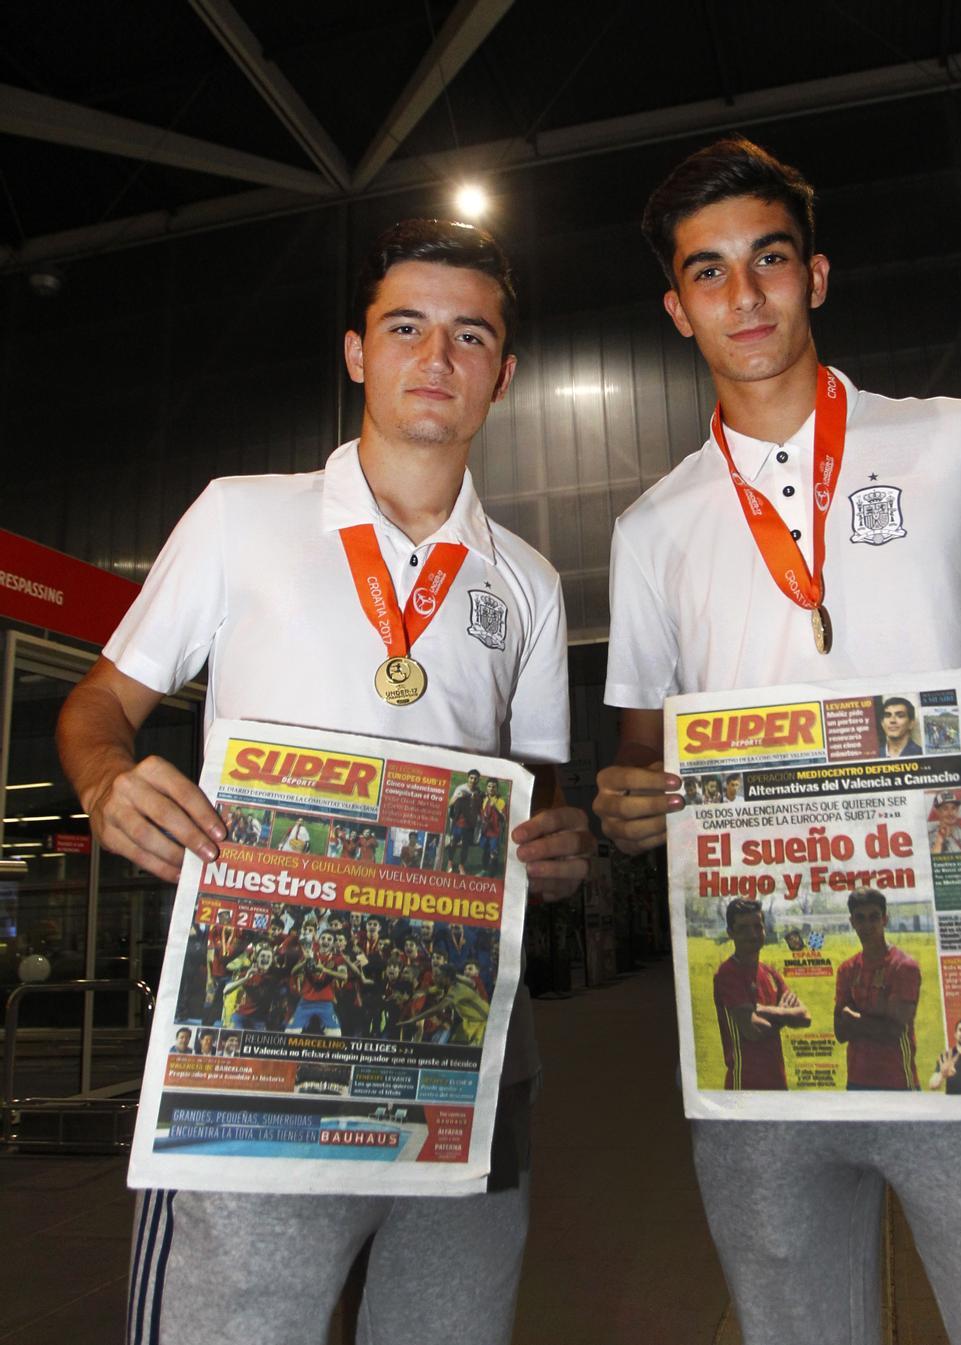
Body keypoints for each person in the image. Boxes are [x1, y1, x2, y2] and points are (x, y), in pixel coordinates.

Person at [592, 137, 961, 1345]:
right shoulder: (651, 525)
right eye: (710, 273)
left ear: (815, 276)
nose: (747, 296)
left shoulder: (955, 442)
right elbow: (639, 757)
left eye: (768, 260)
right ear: (677, 308)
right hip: (762, 1048)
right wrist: (627, 806)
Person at [57, 217, 594, 1345]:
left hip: (465, 1056)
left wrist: (560, 845)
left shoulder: (531, 583)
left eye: (468, 335)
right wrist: (108, 781)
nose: (435, 359)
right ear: (358, 352)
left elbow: (534, 796)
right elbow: (97, 707)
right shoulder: (241, 516)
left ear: (504, 372)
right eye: (406, 328)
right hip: (256, 1057)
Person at [713, 897, 811, 1089]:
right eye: (743, 928)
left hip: (777, 1082)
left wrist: (764, 1011)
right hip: (745, 1084)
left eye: (757, 926)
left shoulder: (770, 973)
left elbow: (805, 1017)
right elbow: (753, 1031)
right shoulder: (728, 973)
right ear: (730, 933)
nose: (753, 934)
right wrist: (785, 1014)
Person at [833, 890, 921, 1091]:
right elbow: (840, 1032)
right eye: (860, 918)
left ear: (885, 919)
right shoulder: (847, 969)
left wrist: (854, 1019)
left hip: (897, 1080)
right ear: (852, 922)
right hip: (856, 1080)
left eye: (874, 917)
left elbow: (893, 1031)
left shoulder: (903, 967)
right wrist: (875, 1022)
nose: (867, 925)